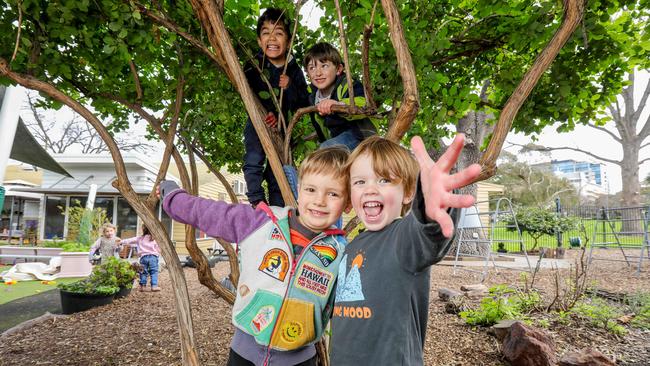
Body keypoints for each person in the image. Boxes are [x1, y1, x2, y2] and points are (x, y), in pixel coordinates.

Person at [159, 147, 350, 366]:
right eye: (311, 190)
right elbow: (208, 212)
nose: (320, 201)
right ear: (298, 190)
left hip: (300, 359)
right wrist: (172, 195)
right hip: (244, 353)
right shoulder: (261, 222)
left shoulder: (341, 253)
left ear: (348, 203)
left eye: (333, 194)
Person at [329, 134, 481, 365]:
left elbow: (427, 233)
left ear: (409, 193)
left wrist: (432, 204)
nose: (370, 189)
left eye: (384, 180)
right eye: (360, 182)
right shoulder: (352, 246)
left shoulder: (403, 238)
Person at [243, 8, 310, 208]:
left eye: (279, 33)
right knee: (253, 160)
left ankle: (278, 208)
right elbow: (248, 95)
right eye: (266, 33)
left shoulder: (294, 70)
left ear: (288, 41)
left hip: (283, 129)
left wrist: (289, 87)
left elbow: (303, 102)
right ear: (258, 41)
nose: (272, 38)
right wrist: (265, 113)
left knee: (278, 170)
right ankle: (256, 200)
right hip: (258, 123)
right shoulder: (253, 66)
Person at [304, 42, 377, 151]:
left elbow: (365, 103)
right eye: (312, 68)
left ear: (338, 69)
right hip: (336, 140)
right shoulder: (313, 97)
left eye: (324, 66)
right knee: (318, 156)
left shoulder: (349, 85)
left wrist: (338, 104)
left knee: (327, 149)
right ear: (307, 73)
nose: (318, 73)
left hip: (361, 136)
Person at [120, 226, 161, 292]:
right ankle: (154, 286)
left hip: (143, 257)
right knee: (154, 272)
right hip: (153, 257)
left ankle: (143, 286)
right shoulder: (155, 239)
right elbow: (159, 249)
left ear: (144, 230)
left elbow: (129, 240)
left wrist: (121, 241)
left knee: (143, 272)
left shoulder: (140, 238)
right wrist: (158, 253)